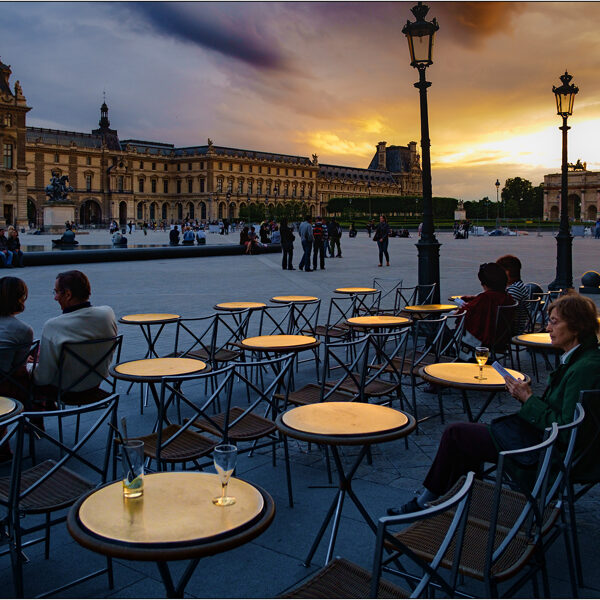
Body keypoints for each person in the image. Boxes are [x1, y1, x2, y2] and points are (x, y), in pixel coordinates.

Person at [387, 293, 600, 515]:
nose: (548, 328)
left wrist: (528, 399)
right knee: (468, 440)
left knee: (456, 433)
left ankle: (429, 502)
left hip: (548, 453)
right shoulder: (583, 359)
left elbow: (567, 429)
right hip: (547, 444)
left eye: (554, 322)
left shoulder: (584, 369)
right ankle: (458, 502)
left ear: (576, 327)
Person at [34, 270, 118, 402]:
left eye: (56, 292)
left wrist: (27, 367)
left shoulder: (53, 326)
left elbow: (43, 378)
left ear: (68, 294)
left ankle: (32, 420)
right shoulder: (108, 313)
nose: (55, 298)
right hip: (95, 384)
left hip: (67, 392)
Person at [455, 262, 514, 356]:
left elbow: (464, 315)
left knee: (437, 333)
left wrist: (464, 307)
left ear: (485, 283)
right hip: (501, 339)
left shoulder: (485, 298)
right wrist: (474, 299)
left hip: (483, 341)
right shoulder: (508, 297)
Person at [496, 254, 529, 335]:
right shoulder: (518, 285)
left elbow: (502, 313)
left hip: (510, 332)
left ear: (507, 272)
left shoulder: (514, 290)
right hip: (512, 329)